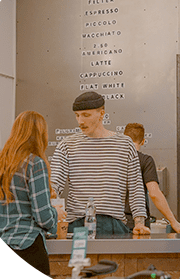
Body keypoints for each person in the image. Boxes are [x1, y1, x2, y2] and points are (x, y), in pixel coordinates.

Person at [0, 111, 66, 275]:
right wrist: (56, 214)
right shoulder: (35, 164)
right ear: (41, 135)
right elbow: (42, 216)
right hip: (28, 248)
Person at [51, 91, 150, 236]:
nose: (80, 121)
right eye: (77, 115)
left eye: (86, 115)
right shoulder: (66, 146)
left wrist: (139, 223)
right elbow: (54, 185)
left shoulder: (124, 144)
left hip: (113, 223)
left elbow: (135, 187)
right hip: (78, 223)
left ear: (101, 114)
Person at [124, 123, 180, 234]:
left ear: (124, 139)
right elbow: (154, 193)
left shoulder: (114, 159)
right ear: (143, 141)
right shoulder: (145, 161)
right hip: (138, 224)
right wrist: (173, 221)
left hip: (115, 222)